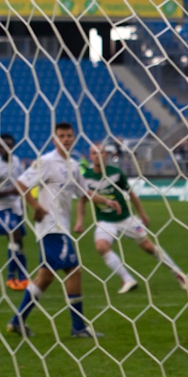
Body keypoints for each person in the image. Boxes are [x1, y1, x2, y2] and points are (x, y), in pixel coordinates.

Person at [7, 122, 121, 337]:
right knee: (74, 270)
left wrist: (106, 201)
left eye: (69, 135)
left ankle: (17, 321)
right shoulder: (46, 162)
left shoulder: (74, 166)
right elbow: (21, 185)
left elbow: (84, 192)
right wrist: (36, 206)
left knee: (45, 277)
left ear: (74, 138)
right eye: (62, 136)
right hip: (51, 227)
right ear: (54, 139)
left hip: (62, 227)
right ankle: (78, 327)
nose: (66, 139)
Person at [75, 143, 187, 293]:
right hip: (105, 221)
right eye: (94, 153)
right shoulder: (86, 177)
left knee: (148, 247)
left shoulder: (115, 173)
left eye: (100, 153)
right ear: (90, 156)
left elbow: (132, 194)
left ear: (105, 155)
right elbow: (82, 201)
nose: (97, 156)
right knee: (101, 246)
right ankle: (128, 279)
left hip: (126, 219)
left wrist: (142, 214)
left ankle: (177, 273)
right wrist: (79, 222)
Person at [0, 133, 28, 291]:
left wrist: (23, 207)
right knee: (14, 233)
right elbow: (15, 189)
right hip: (2, 208)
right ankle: (11, 277)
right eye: (2, 146)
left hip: (16, 207)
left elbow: (21, 184)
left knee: (19, 242)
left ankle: (23, 277)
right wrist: (12, 191)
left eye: (8, 146)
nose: (5, 149)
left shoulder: (17, 161)